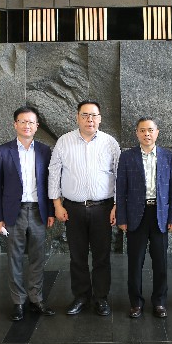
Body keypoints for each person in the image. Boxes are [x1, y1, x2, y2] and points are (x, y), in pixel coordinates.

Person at [48, 100, 120, 316]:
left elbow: (120, 175)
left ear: (100, 118)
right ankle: (81, 296)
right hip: (73, 208)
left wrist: (117, 205)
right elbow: (54, 173)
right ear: (77, 117)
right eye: (85, 115)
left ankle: (101, 298)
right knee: (77, 256)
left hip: (103, 208)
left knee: (102, 256)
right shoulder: (64, 141)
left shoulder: (110, 143)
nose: (90, 119)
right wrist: (57, 204)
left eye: (94, 115)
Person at [0, 106, 56, 322]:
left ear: (37, 126)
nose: (27, 125)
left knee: (38, 257)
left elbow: (49, 184)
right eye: (22, 121)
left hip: (38, 211)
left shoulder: (45, 151)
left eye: (31, 122)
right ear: (15, 124)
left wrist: (50, 211)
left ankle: (36, 299)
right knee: (15, 258)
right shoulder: (3, 151)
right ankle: (18, 301)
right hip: (13, 212)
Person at [116, 117, 172, 318]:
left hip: (160, 214)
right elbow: (120, 190)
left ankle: (159, 302)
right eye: (142, 130)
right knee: (135, 262)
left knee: (160, 262)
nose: (147, 134)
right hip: (136, 216)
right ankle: (136, 303)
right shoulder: (127, 157)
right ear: (137, 133)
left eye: (150, 130)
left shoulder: (168, 157)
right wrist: (121, 217)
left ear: (157, 132)